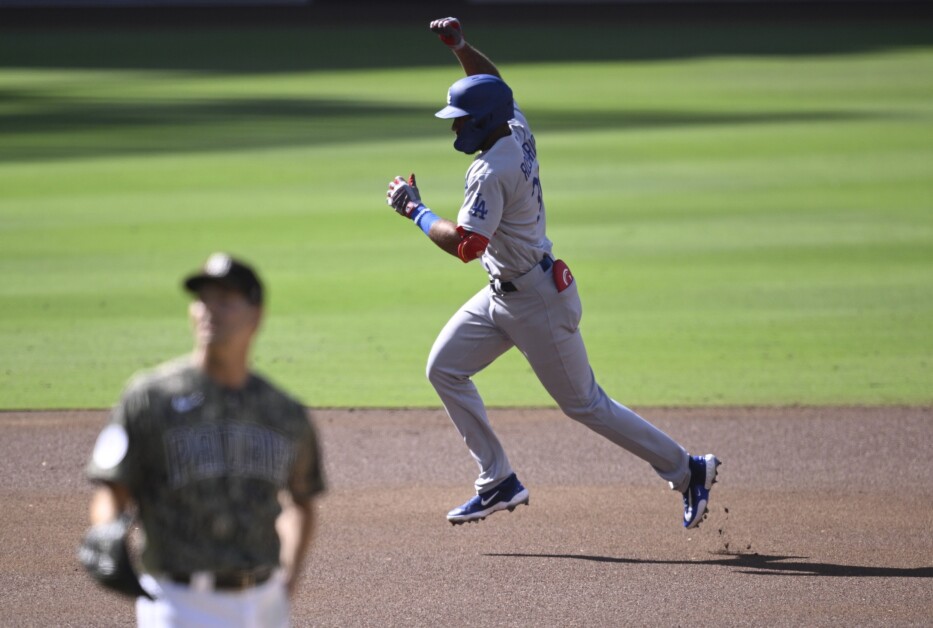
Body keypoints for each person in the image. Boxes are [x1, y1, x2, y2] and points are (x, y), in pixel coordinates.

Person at [386, 18, 719, 529]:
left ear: (481, 122)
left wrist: (415, 210)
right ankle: (497, 480)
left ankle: (687, 468)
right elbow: (499, 87)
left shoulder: (491, 170)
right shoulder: (514, 126)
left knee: (588, 405)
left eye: (460, 118)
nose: (454, 126)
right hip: (504, 295)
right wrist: (462, 48)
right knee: (444, 368)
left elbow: (466, 247)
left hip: (537, 302)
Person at [84, 252, 326, 627]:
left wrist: (287, 580)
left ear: (256, 315)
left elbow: (302, 500)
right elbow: (113, 488)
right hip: (177, 602)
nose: (210, 310)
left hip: (263, 604)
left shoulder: (283, 412)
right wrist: (104, 530)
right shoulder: (149, 398)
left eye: (226, 301)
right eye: (203, 300)